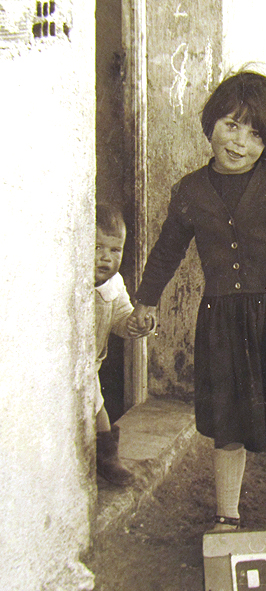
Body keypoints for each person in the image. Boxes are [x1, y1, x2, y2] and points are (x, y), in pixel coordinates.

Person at [132, 69, 266, 530]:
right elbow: (168, 249)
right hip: (225, 323)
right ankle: (227, 517)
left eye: (255, 134)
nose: (240, 142)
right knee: (228, 429)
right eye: (232, 125)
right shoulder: (190, 191)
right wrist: (146, 300)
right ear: (211, 122)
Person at [95, 203, 154, 485]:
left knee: (97, 409)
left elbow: (120, 317)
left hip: (91, 366)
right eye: (97, 247)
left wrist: (135, 325)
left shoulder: (114, 283)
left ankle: (107, 460)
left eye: (114, 250)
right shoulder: (72, 281)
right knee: (93, 410)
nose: (105, 258)